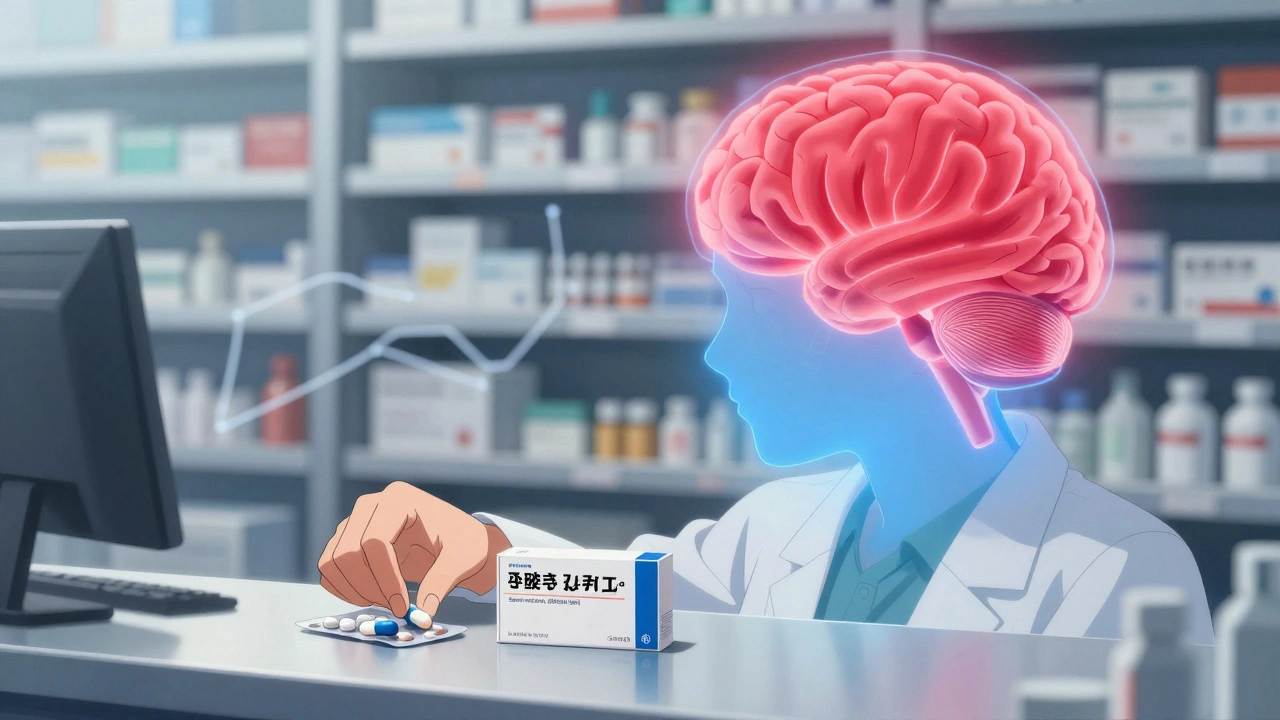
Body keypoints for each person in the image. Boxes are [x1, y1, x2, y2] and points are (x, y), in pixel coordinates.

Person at [318, 55, 1213, 643]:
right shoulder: (778, 530)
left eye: (748, 305)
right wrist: (476, 551)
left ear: (892, 301)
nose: (717, 353)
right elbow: (632, 604)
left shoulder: (1121, 574)